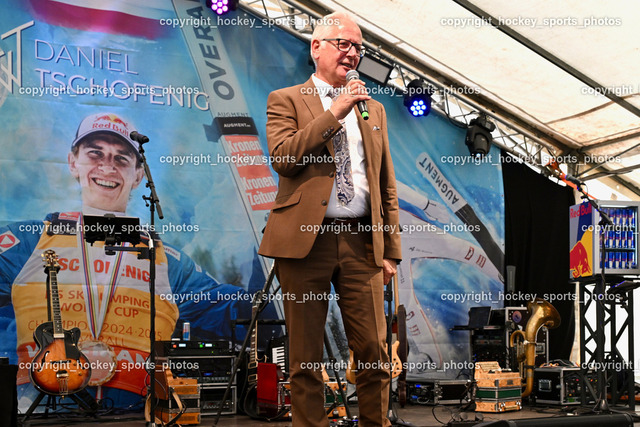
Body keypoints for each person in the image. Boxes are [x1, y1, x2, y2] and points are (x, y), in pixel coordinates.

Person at [0, 112, 258, 409]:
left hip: (134, 414)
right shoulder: (30, 240)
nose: (107, 166)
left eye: (121, 158)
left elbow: (225, 307)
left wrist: (269, 283)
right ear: (73, 163)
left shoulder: (165, 259)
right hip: (43, 410)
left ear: (137, 175)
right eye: (95, 153)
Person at [258, 11, 402, 427]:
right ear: (316, 47)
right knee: (305, 357)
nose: (352, 53)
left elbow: (385, 183)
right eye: (344, 44)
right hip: (306, 244)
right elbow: (284, 158)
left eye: (358, 47)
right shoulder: (286, 99)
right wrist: (334, 112)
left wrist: (390, 250)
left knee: (374, 351)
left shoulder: (374, 110)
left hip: (362, 243)